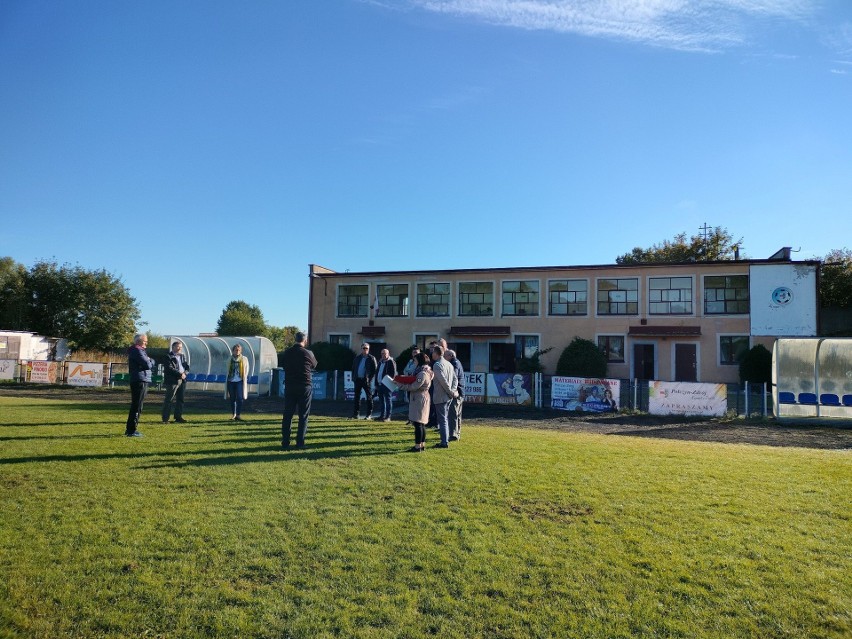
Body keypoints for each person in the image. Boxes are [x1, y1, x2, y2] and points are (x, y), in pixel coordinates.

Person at [280, 332, 318, 450]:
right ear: (305, 340)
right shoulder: (308, 353)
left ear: (295, 340)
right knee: (303, 415)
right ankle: (300, 442)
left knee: (287, 414)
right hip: (304, 386)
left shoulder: (287, 352)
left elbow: (284, 366)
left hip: (290, 386)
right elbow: (314, 365)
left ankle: (285, 442)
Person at [394, 352, 433, 452]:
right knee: (421, 423)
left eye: (415, 360)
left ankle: (417, 446)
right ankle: (422, 445)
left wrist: (400, 385)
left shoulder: (422, 373)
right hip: (420, 397)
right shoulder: (424, 371)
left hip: (419, 398)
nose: (414, 362)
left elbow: (414, 386)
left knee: (418, 423)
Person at [125, 333, 155, 437]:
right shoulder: (137, 350)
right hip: (140, 379)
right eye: (145, 341)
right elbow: (147, 364)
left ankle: (131, 429)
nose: (146, 342)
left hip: (141, 378)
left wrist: (149, 360)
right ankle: (131, 430)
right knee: (137, 406)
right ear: (139, 341)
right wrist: (151, 360)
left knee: (137, 405)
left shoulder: (137, 350)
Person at [430, 344, 458, 448]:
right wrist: (453, 391)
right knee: (445, 419)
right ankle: (444, 440)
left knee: (442, 420)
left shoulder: (437, 365)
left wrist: (450, 391)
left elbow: (443, 381)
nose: (431, 354)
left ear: (436, 353)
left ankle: (444, 442)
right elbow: (455, 379)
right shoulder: (449, 364)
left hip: (442, 396)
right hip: (448, 396)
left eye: (433, 352)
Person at [161, 341, 190, 424]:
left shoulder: (182, 356)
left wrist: (185, 373)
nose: (179, 348)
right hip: (173, 380)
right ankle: (165, 419)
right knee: (169, 399)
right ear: (173, 347)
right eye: (178, 347)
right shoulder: (168, 356)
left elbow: (187, 367)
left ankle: (178, 417)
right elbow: (169, 368)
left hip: (182, 380)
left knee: (180, 399)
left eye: (180, 347)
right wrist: (180, 374)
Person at [351, 343, 377, 419]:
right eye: (364, 348)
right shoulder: (357, 358)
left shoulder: (372, 358)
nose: (365, 350)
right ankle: (356, 414)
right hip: (357, 380)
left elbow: (374, 370)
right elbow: (353, 368)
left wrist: (370, 379)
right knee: (356, 397)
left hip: (366, 380)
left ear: (369, 349)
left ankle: (369, 415)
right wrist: (354, 378)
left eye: (367, 348)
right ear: (361, 349)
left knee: (369, 397)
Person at [224, 343, 250, 420]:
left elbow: (247, 369)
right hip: (231, 380)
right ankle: (233, 414)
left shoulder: (244, 359)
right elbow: (227, 369)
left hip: (240, 380)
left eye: (239, 350)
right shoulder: (229, 359)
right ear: (233, 351)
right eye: (236, 350)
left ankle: (238, 414)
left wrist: (244, 376)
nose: (237, 351)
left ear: (241, 351)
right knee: (232, 398)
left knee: (239, 397)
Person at [444, 349, 464, 441]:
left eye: (445, 356)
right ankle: (457, 433)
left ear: (451, 356)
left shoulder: (454, 364)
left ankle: (453, 434)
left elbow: (454, 376)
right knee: (458, 414)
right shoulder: (457, 362)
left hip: (456, 392)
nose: (444, 357)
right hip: (461, 391)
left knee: (453, 414)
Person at [374, 348, 398, 421]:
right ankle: (382, 415)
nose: (383, 355)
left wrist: (387, 380)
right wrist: (376, 383)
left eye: (385, 353)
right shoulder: (380, 362)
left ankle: (388, 416)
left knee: (388, 400)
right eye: (382, 353)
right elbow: (377, 373)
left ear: (388, 354)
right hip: (379, 384)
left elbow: (393, 374)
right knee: (381, 401)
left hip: (387, 384)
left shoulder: (391, 362)